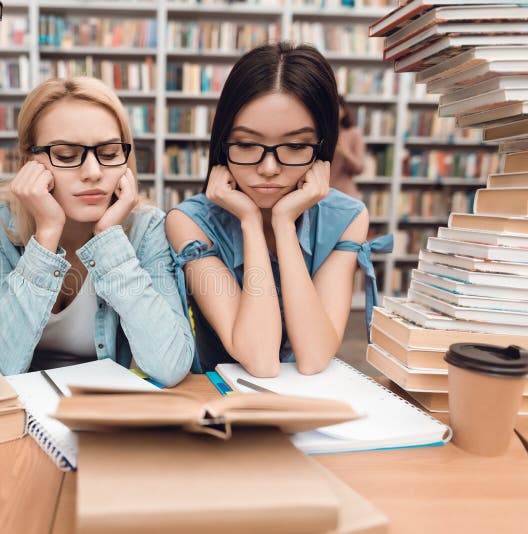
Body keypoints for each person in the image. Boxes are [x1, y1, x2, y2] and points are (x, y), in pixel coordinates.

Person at [165, 43, 392, 377]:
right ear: (222, 142)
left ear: (322, 147)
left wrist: (284, 224)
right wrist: (250, 223)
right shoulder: (189, 222)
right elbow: (260, 359)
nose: (269, 168)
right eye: (245, 144)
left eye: (296, 145)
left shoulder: (347, 217)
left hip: (306, 404)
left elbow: (314, 357)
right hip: (218, 403)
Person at [0, 77, 194, 386]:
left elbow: (171, 366)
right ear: (29, 160)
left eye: (110, 153)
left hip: (102, 413)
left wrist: (108, 238)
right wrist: (47, 234)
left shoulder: (147, 226)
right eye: (66, 155)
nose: (93, 173)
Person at [330, 96, 366, 199]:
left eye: (337, 108)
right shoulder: (320, 133)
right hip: (320, 195)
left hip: (345, 195)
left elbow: (359, 168)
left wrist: (345, 152)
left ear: (344, 110)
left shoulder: (354, 134)